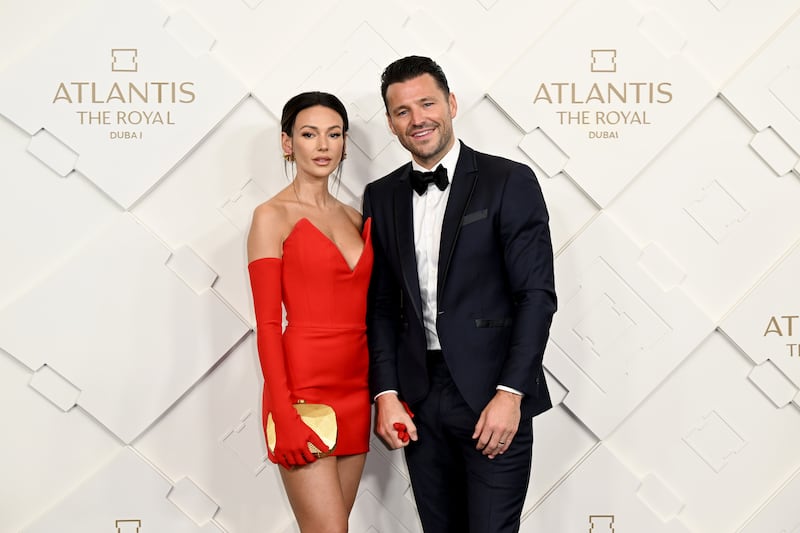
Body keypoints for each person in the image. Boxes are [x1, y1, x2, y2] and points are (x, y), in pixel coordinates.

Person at [362, 56, 557, 532]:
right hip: (418, 397)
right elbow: (383, 305)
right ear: (390, 123)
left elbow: (536, 295)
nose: (417, 119)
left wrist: (511, 393)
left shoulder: (508, 180)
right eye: (402, 111)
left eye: (427, 103)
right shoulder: (381, 195)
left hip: (492, 393)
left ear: (450, 104)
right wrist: (385, 392)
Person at [247, 91, 372, 532]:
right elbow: (265, 325)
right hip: (302, 393)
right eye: (309, 133)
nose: (323, 145)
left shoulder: (357, 218)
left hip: (357, 390)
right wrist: (282, 413)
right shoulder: (270, 216)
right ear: (288, 144)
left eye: (334, 134)